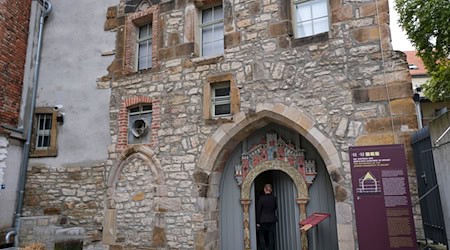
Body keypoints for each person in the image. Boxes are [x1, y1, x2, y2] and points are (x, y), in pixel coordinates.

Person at [256, 184, 277, 250]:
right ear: (271, 190)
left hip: (263, 220)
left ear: (265, 189)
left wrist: (257, 222)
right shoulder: (274, 198)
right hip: (271, 219)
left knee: (262, 236)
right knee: (271, 237)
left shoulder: (261, 198)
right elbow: (275, 207)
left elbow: (258, 210)